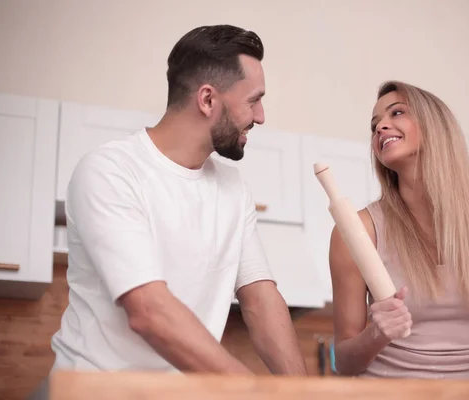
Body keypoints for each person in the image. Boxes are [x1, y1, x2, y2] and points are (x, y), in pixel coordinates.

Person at [40, 24, 307, 388]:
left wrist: (306, 392)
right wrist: (252, 391)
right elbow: (149, 311)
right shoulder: (111, 171)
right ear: (208, 100)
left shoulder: (232, 189)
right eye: (253, 100)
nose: (260, 116)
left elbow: (260, 301)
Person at [329, 80, 469, 381]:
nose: (381, 127)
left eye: (396, 113)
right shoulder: (360, 230)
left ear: (436, 126)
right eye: (374, 125)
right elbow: (343, 361)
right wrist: (377, 334)